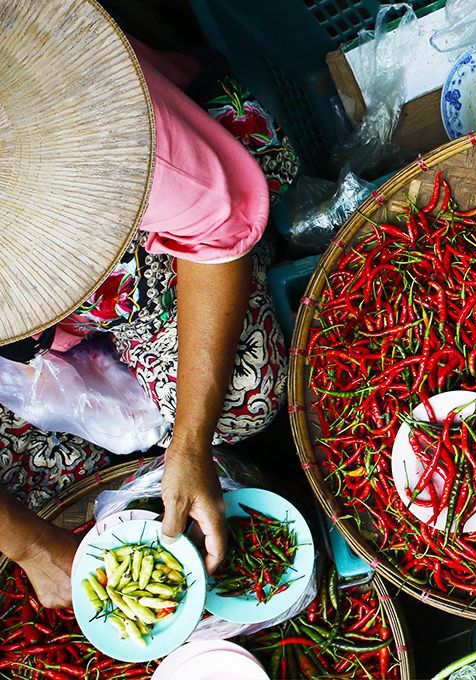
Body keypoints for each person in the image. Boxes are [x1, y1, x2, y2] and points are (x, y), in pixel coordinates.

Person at [0, 1, 297, 607]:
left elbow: (212, 235)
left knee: (246, 395)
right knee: (33, 494)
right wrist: (28, 544)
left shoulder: (94, 120)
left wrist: (190, 440)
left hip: (145, 242)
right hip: (39, 341)